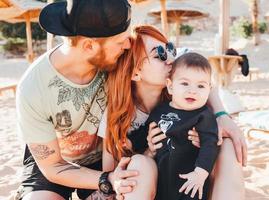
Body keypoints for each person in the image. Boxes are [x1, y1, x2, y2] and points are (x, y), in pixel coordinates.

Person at [100, 25, 247, 200]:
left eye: (170, 49)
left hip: (194, 184)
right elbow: (111, 172)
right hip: (152, 187)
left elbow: (208, 83)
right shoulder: (119, 111)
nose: (170, 59)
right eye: (159, 54)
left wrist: (221, 115)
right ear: (135, 73)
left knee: (228, 145)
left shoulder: (187, 93)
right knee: (140, 163)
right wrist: (146, 152)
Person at [15, 0, 140, 199]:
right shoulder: (33, 87)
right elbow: (52, 167)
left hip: (107, 155)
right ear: (89, 45)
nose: (127, 45)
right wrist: (107, 179)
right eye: (120, 41)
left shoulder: (119, 60)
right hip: (57, 160)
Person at [131, 52, 220, 200]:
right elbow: (146, 133)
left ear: (209, 89)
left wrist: (200, 173)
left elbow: (210, 145)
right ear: (171, 87)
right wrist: (131, 141)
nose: (193, 90)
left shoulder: (203, 116)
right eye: (185, 83)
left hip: (190, 181)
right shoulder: (160, 110)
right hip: (162, 179)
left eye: (201, 86)